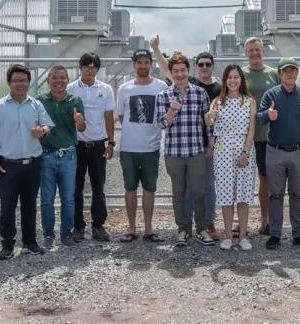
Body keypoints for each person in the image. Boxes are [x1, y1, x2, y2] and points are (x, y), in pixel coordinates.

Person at [0, 64, 55, 260]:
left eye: (24, 80)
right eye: (16, 80)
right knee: (7, 206)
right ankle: (7, 245)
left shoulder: (36, 105)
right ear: (9, 83)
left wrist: (43, 131)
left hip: (33, 163)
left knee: (30, 205)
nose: (20, 84)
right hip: (8, 165)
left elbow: (47, 125)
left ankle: (30, 242)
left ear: (29, 83)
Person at [152, 35, 221, 239]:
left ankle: (201, 229)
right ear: (171, 73)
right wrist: (171, 112)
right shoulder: (163, 96)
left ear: (188, 71)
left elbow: (207, 123)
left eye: (183, 70)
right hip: (173, 153)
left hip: (196, 152)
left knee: (199, 193)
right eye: (176, 71)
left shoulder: (200, 94)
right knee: (179, 194)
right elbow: (161, 124)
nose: (180, 74)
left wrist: (209, 146)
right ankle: (183, 228)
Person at [257, 57, 300, 250]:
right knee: (275, 195)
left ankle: (298, 233)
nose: (290, 73)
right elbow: (258, 118)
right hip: (275, 151)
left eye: (293, 70)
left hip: (299, 152)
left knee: (297, 194)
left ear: (297, 73)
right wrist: (268, 115)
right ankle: (275, 234)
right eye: (286, 70)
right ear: (279, 73)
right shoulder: (271, 95)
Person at [116, 49, 169, 243]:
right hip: (128, 147)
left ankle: (148, 228)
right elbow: (121, 116)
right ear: (134, 65)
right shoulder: (124, 89)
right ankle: (131, 228)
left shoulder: (160, 86)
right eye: (139, 62)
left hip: (151, 147)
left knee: (149, 188)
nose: (143, 65)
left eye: (146, 62)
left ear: (151, 64)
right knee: (130, 188)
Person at [205, 65, 257, 251]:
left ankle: (242, 236)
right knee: (226, 195)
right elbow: (209, 121)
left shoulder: (249, 101)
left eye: (236, 77)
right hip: (223, 150)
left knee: (243, 195)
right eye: (229, 77)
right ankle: (227, 236)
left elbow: (251, 129)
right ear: (225, 80)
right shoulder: (217, 102)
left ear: (241, 80)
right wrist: (210, 116)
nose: (233, 81)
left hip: (244, 149)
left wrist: (245, 152)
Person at [67, 52, 116, 243]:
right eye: (86, 66)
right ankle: (78, 226)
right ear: (80, 68)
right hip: (76, 145)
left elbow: (108, 116)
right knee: (76, 187)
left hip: (97, 145)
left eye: (94, 66)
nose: (90, 69)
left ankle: (98, 225)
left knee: (98, 187)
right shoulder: (71, 88)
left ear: (97, 69)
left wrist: (110, 142)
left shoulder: (105, 89)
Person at [37, 65, 85, 248]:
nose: (58, 81)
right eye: (54, 78)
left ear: (67, 80)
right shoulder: (39, 101)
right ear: (48, 81)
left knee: (68, 197)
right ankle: (48, 234)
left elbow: (81, 128)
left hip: (68, 156)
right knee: (47, 198)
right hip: (46, 155)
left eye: (62, 78)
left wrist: (80, 122)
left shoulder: (75, 101)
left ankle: (66, 233)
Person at [242, 37, 280, 236]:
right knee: (242, 179)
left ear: (262, 50)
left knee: (266, 179)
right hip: (244, 136)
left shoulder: (273, 74)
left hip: (268, 136)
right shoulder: (240, 74)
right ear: (245, 52)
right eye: (251, 50)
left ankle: (266, 219)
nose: (254, 53)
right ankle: (240, 222)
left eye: (257, 49)